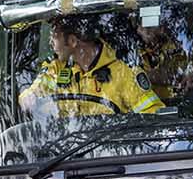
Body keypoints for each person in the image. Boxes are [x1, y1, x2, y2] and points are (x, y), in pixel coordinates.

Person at [19, 15, 163, 117]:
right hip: (65, 153)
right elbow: (33, 91)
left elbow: (154, 117)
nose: (50, 41)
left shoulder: (124, 72)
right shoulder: (57, 68)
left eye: (54, 35)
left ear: (73, 41)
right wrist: (28, 96)